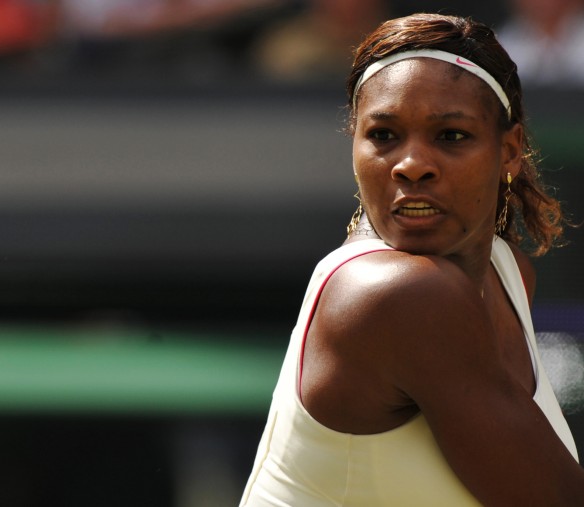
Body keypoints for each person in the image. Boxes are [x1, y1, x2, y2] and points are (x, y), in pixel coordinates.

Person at [239, 12, 584, 507]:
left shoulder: (507, 274)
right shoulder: (400, 295)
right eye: (383, 135)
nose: (412, 165)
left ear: (509, 151)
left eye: (451, 136)